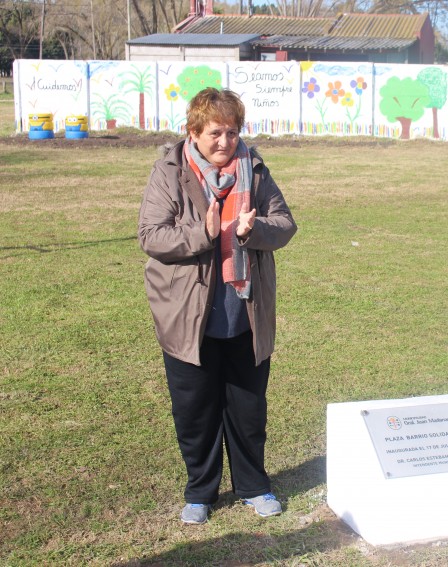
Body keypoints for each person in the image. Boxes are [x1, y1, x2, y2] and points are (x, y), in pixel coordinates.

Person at [138, 88, 297, 525]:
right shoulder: (170, 170)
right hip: (188, 317)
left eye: (232, 132)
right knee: (195, 410)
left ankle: (253, 486)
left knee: (247, 408)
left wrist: (254, 229)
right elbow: (151, 235)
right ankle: (200, 491)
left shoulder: (256, 170)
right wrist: (202, 234)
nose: (225, 141)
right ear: (194, 131)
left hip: (244, 312)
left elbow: (285, 225)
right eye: (215, 133)